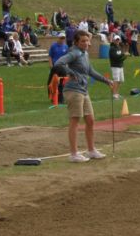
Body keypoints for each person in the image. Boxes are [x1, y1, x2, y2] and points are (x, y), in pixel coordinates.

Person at [52, 30, 115, 162]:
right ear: (76, 42)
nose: (86, 43)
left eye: (87, 40)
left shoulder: (84, 53)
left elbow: (90, 71)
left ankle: (91, 150)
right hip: (73, 91)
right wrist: (70, 72)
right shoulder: (74, 52)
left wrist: (106, 81)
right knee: (75, 121)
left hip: (83, 91)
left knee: (90, 120)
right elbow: (58, 63)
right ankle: (73, 154)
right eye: (83, 41)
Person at [48, 35, 68, 104]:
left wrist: (67, 66)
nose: (62, 40)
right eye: (61, 38)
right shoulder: (53, 46)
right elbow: (50, 56)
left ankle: (61, 99)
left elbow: (67, 57)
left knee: (62, 83)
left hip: (62, 67)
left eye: (63, 38)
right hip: (55, 67)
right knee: (51, 82)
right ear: (58, 38)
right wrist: (50, 65)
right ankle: (52, 97)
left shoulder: (66, 46)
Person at [109, 35, 127, 99]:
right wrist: (123, 55)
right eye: (116, 40)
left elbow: (120, 57)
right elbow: (116, 57)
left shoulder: (119, 47)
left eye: (118, 40)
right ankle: (114, 94)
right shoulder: (112, 48)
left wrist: (125, 56)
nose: (117, 41)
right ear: (114, 40)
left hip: (120, 66)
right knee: (116, 80)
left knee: (120, 80)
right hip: (115, 66)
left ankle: (117, 93)